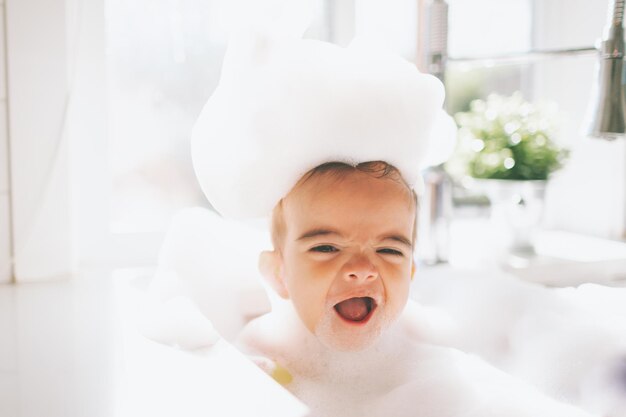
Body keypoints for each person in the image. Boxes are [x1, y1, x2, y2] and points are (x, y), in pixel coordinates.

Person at [191, 29, 596, 417]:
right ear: (279, 273)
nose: (362, 269)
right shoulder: (264, 349)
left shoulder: (427, 345)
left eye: (389, 249)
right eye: (326, 247)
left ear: (411, 272)